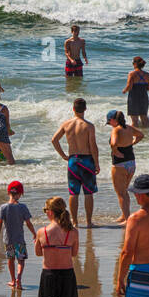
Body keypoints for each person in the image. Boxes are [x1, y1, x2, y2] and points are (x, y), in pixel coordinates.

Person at [31, 196, 79, 297]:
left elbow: (38, 253)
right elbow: (73, 253)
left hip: (49, 277)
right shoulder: (73, 232)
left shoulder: (42, 232)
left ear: (50, 212)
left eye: (45, 211)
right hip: (66, 276)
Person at [51, 97, 100, 227]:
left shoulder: (66, 124)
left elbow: (54, 140)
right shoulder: (89, 126)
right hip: (87, 160)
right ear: (85, 109)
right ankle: (89, 222)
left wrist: (63, 156)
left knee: (73, 192)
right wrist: (97, 163)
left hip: (73, 160)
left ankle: (75, 222)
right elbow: (93, 146)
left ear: (73, 109)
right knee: (88, 192)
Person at [0, 180, 35, 290]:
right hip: (20, 240)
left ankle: (13, 280)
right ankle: (19, 278)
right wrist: (35, 234)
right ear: (20, 194)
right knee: (21, 260)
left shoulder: (3, 207)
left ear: (8, 193)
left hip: (8, 240)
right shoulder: (23, 207)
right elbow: (29, 223)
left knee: (10, 259)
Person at [106, 110, 145, 222]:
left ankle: (127, 219)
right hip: (131, 162)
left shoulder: (116, 130)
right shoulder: (129, 128)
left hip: (120, 164)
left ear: (113, 120)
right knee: (124, 191)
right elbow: (141, 135)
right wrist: (132, 143)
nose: (110, 125)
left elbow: (113, 143)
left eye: (109, 122)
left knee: (121, 192)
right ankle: (125, 215)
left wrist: (115, 151)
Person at [122, 56, 149, 128]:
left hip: (134, 97)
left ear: (135, 64)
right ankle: (147, 135)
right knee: (144, 118)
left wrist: (124, 90)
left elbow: (129, 86)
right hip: (144, 97)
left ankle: (134, 136)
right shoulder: (147, 74)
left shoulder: (132, 74)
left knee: (134, 120)